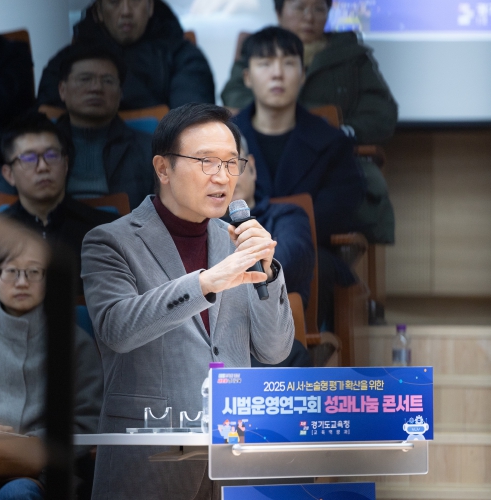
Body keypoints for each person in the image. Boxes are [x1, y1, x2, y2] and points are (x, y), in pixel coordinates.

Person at [81, 102, 294, 499]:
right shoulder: (111, 241)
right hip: (150, 457)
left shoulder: (237, 243)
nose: (223, 176)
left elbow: (275, 351)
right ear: (163, 168)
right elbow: (116, 329)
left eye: (231, 163)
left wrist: (268, 273)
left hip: (232, 452)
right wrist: (207, 283)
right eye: (206, 162)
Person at [230, 26, 365, 329]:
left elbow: (342, 207)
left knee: (317, 268)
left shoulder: (332, 142)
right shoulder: (226, 139)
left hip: (308, 253)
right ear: (247, 77)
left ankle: (301, 347)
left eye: (289, 63)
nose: (277, 74)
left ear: (303, 75)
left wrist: (285, 228)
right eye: (265, 63)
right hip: (232, 247)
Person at [0, 234, 103, 500]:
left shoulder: (74, 343)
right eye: (11, 271)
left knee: (18, 494)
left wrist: (31, 445)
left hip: (45, 471)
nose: (22, 282)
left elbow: (90, 420)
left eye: (33, 272)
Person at [221, 0, 397, 146]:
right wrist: (279, 116)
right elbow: (233, 94)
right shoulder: (258, 49)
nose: (309, 17)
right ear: (279, 13)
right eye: (299, 8)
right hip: (266, 145)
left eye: (319, 9)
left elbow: (382, 114)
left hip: (338, 148)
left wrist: (338, 131)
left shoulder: (351, 54)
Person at [0, 112, 119, 292]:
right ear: (8, 174)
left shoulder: (105, 230)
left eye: (52, 155)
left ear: (66, 164)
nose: (43, 167)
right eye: (29, 158)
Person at [37, 0, 215, 111]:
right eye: (114, 2)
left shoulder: (184, 57)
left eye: (135, 1)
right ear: (98, 11)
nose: (126, 11)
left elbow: (192, 127)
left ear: (150, 6)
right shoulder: (67, 62)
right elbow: (46, 123)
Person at [55, 44, 154, 209]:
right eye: (85, 79)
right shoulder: (40, 148)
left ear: (120, 93)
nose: (96, 88)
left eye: (107, 81)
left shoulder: (149, 150)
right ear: (62, 90)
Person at [228, 136, 314, 306]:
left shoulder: (288, 215)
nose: (229, 176)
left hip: (273, 313)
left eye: (232, 163)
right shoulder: (203, 226)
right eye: (216, 166)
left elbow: (291, 262)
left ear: (251, 167)